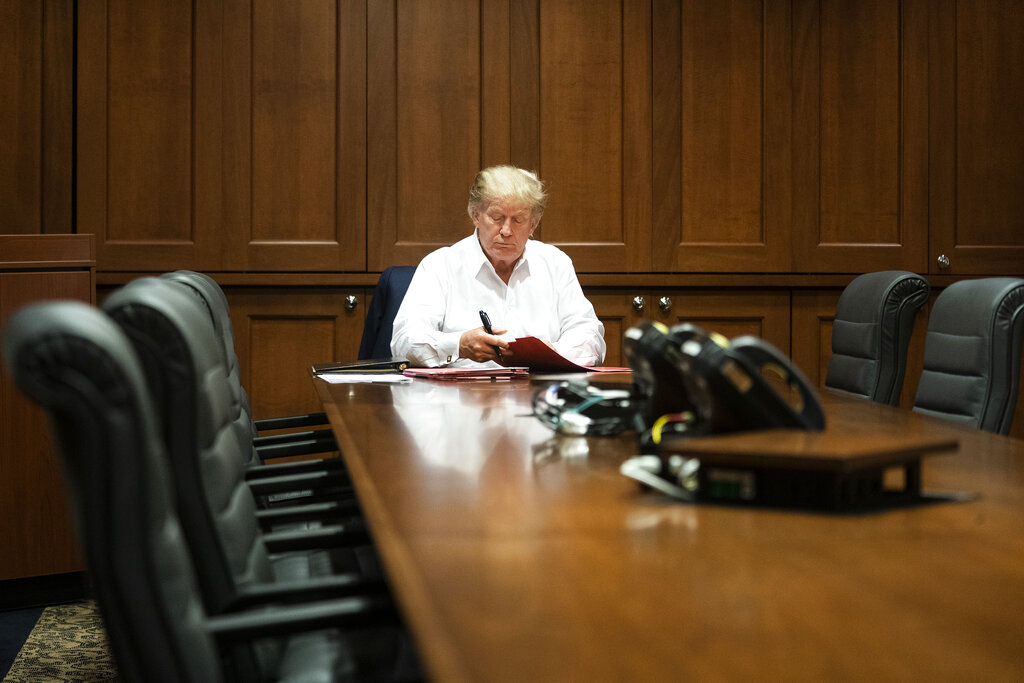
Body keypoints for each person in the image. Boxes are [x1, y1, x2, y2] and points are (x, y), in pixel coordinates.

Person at [391, 165, 606, 368]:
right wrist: (460, 345)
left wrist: (555, 352)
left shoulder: (555, 263)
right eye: (497, 217)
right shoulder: (440, 265)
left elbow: (589, 335)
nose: (505, 230)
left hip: (537, 395)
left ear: (533, 224)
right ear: (475, 215)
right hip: (461, 399)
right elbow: (404, 341)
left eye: (518, 220)